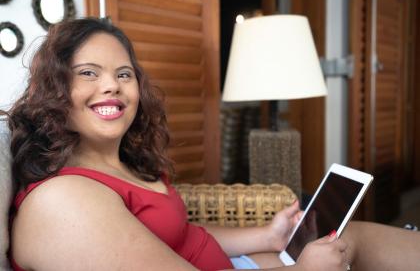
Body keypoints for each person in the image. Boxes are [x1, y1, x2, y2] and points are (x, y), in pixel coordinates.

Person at [4, 17, 420, 271]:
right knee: (341, 251)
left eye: (124, 74)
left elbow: (178, 236)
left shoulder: (123, 163)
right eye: (89, 73)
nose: (112, 85)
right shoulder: (63, 201)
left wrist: (267, 236)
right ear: (54, 89)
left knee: (349, 238)